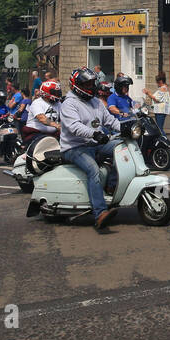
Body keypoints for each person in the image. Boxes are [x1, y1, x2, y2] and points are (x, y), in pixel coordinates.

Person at [57, 68, 122, 230]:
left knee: (121, 147)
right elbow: (74, 127)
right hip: (74, 148)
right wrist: (95, 134)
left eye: (93, 82)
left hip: (94, 144)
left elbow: (110, 121)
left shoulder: (96, 102)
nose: (91, 86)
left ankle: (112, 186)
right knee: (93, 170)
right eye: (87, 83)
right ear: (77, 85)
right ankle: (100, 213)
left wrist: (126, 128)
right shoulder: (69, 104)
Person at [24, 79, 63, 145]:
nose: (57, 94)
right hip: (36, 133)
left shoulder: (58, 104)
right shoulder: (37, 103)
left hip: (53, 134)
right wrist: (56, 125)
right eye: (55, 92)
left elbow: (65, 116)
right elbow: (42, 118)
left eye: (58, 92)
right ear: (46, 92)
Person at [144, 73, 170, 140]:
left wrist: (148, 93)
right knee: (159, 128)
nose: (156, 83)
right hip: (160, 110)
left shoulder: (163, 88)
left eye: (157, 82)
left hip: (160, 111)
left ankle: (165, 141)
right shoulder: (163, 88)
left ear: (160, 81)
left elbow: (156, 99)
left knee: (159, 129)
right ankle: (162, 141)